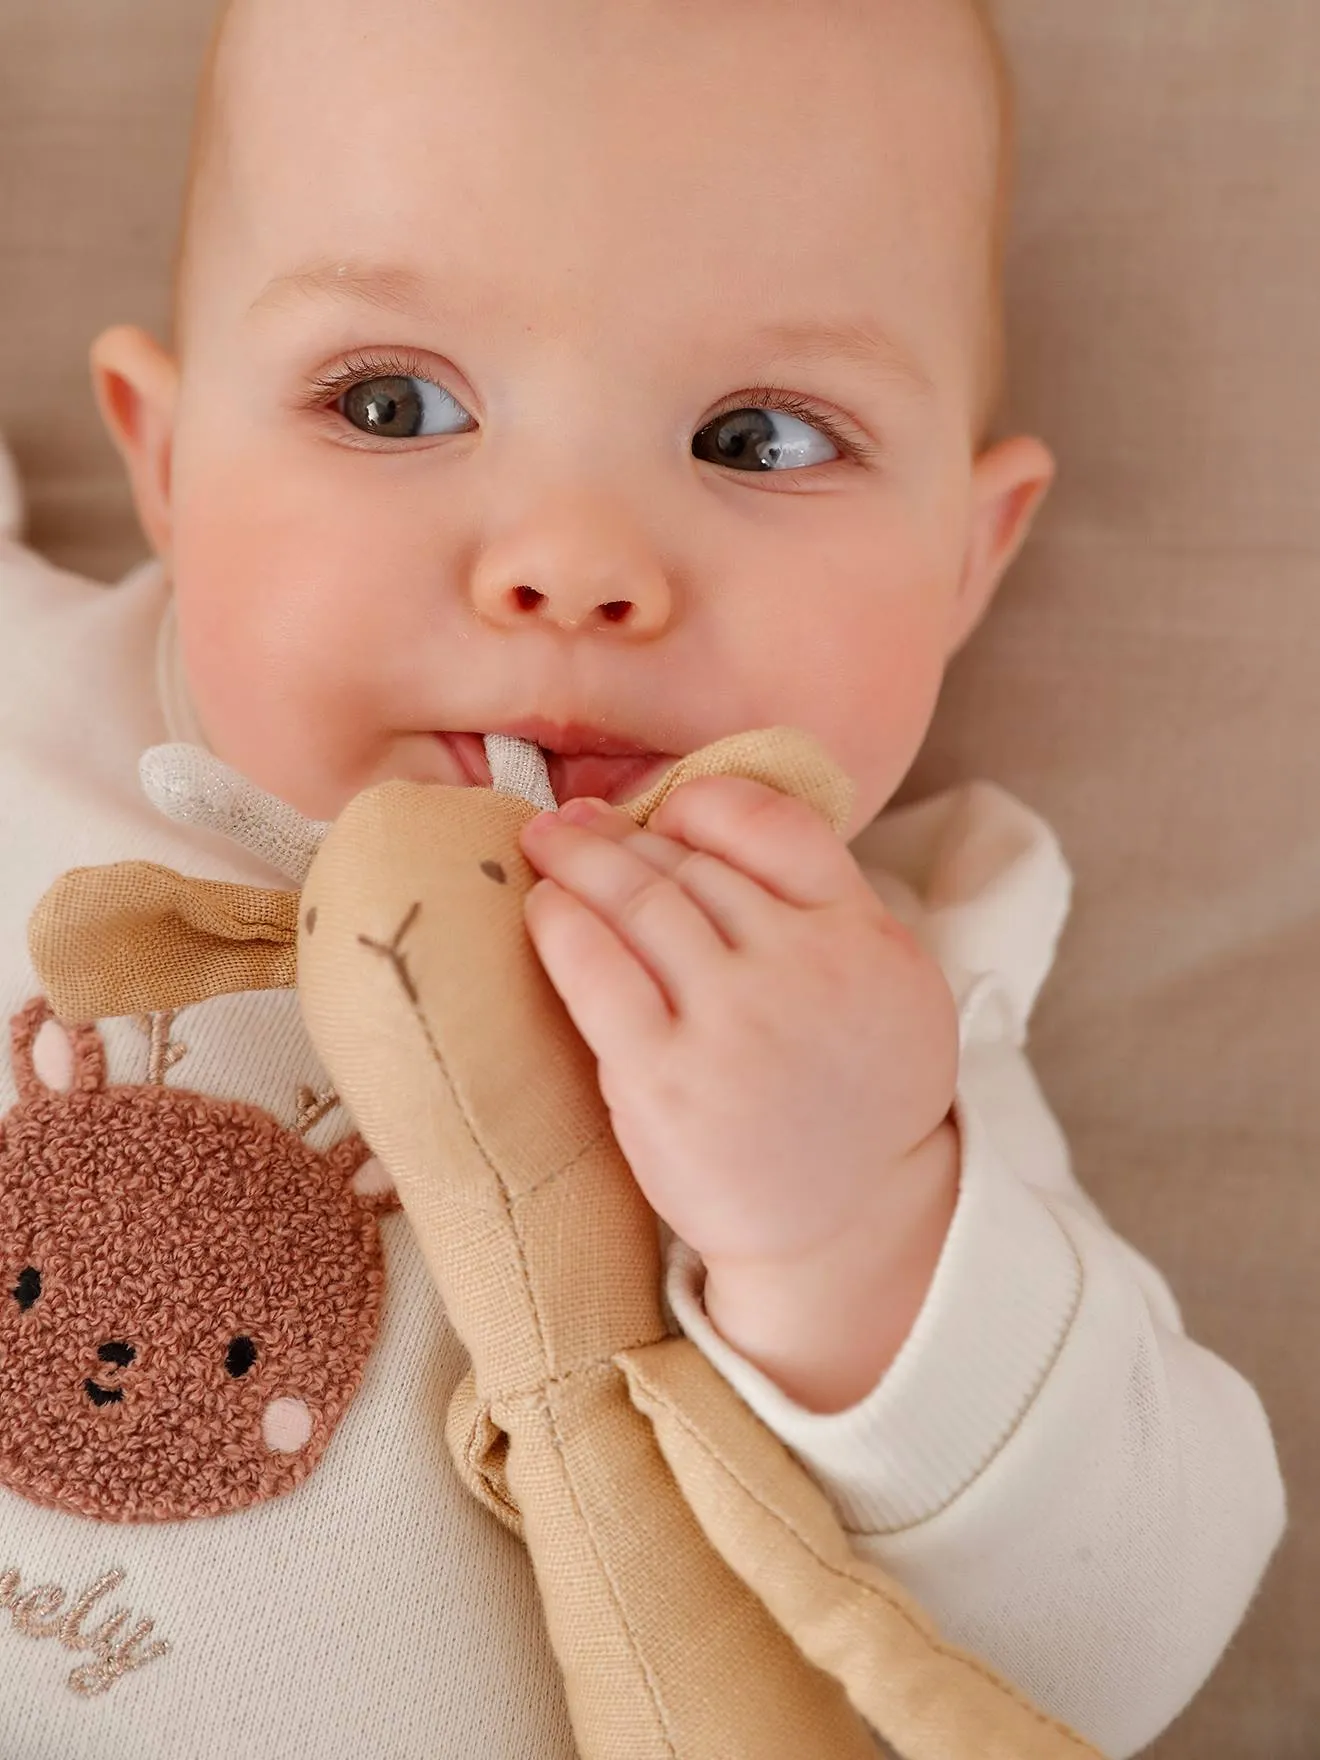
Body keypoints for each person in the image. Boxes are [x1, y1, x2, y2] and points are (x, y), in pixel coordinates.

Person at [0, 0, 1285, 1754]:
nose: (575, 562)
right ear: (163, 457)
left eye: (761, 438)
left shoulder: (861, 1035)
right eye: (394, 402)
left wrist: (847, 1231)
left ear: (965, 564)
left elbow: (1114, 1655)